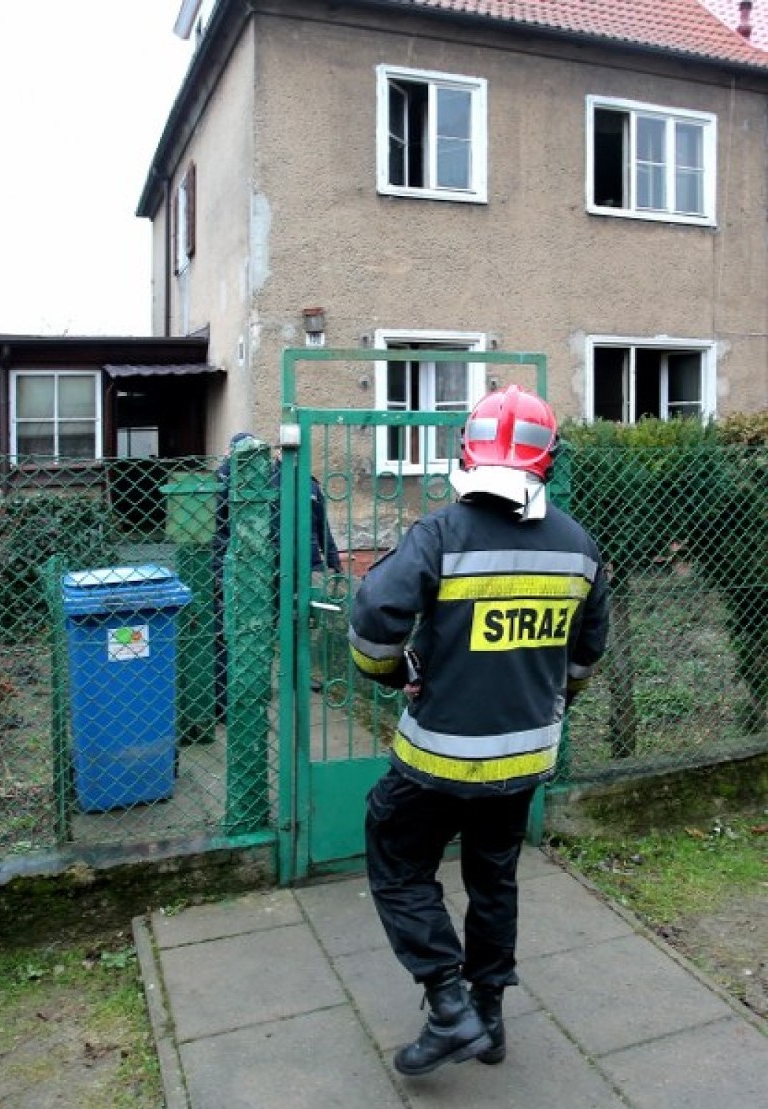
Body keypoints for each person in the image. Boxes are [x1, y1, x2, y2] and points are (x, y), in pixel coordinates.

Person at [348, 385, 610, 1078]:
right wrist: (550, 700)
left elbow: (375, 614)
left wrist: (390, 670)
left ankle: (447, 1003)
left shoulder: (440, 535)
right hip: (523, 758)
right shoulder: (579, 548)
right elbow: (585, 656)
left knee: (398, 860)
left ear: (467, 450)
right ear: (545, 460)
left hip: (436, 757)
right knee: (494, 877)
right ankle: (489, 1017)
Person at [213, 432, 342, 714]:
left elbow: (321, 525)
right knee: (252, 624)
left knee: (299, 620)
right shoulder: (231, 481)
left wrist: (332, 560)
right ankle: (241, 687)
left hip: (300, 564)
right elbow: (222, 528)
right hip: (259, 567)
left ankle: (297, 675)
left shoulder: (304, 483)